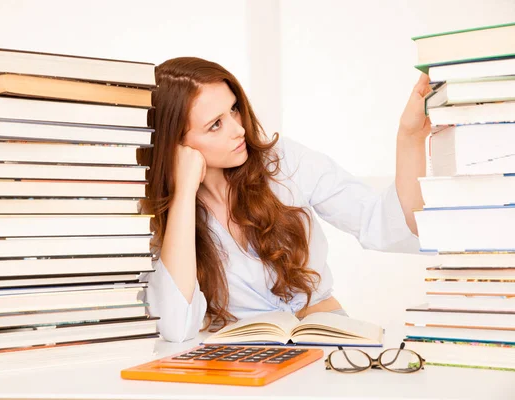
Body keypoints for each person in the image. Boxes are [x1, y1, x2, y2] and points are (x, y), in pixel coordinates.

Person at [140, 57, 430, 343]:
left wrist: (410, 138)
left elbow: (380, 222)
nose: (238, 129)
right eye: (215, 124)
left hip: (326, 337)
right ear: (176, 143)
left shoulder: (282, 161)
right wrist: (183, 192)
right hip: (244, 359)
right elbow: (176, 326)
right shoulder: (159, 214)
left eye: (234, 110)